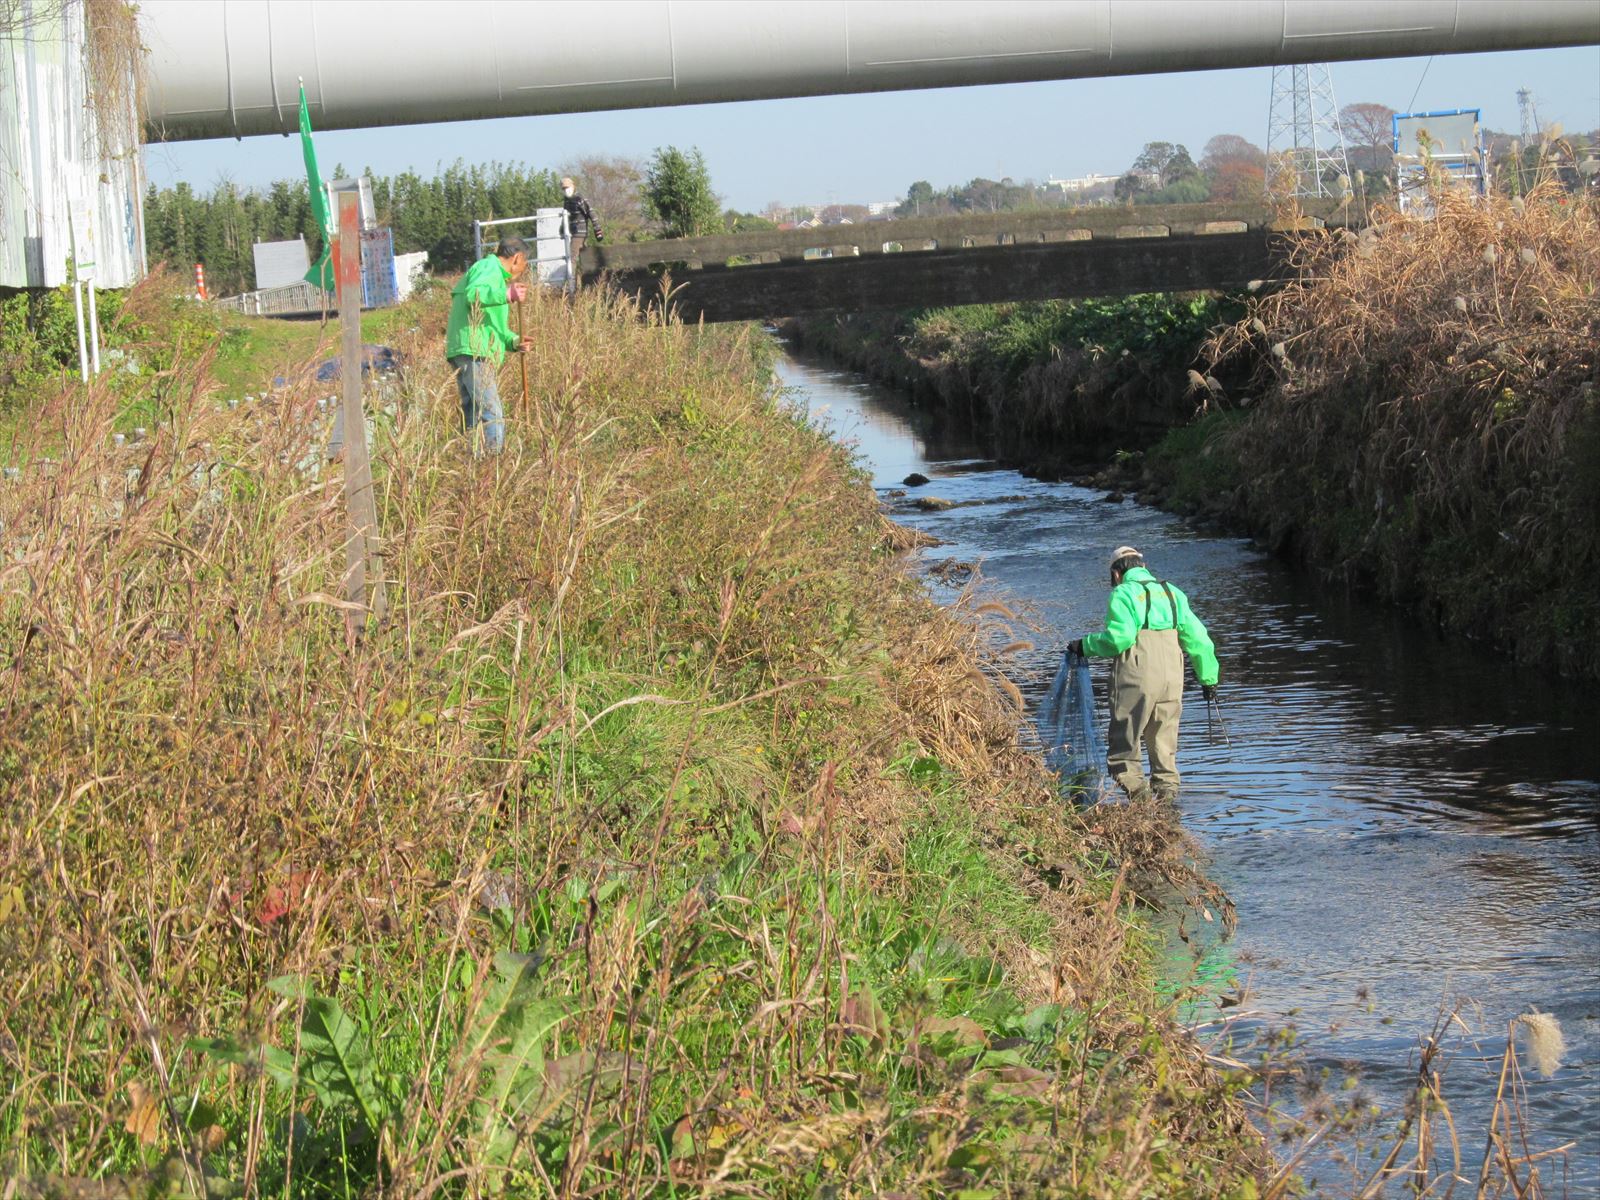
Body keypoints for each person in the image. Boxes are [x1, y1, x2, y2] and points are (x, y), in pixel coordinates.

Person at [1068, 546, 1219, 802]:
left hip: (1137, 672)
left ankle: (1141, 805)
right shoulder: (1173, 593)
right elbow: (1199, 640)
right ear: (1144, 567)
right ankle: (1168, 808)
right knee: (1164, 742)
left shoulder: (1123, 593)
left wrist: (1085, 645)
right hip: (1172, 674)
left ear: (1116, 574)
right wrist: (1209, 678)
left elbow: (1120, 639)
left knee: (1124, 745)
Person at [444, 237, 528, 452]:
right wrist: (507, 294)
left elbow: (492, 324)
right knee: (491, 411)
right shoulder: (489, 267)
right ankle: (494, 462)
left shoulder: (492, 276)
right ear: (517, 258)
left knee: (473, 411)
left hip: (468, 348)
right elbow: (473, 295)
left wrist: (514, 341)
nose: (524, 268)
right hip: (475, 350)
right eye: (526, 262)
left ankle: (474, 463)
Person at [559, 176, 604, 288]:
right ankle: (586, 282)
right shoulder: (567, 200)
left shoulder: (579, 198)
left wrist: (597, 230)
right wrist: (561, 228)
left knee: (572, 257)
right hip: (573, 231)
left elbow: (591, 213)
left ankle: (570, 284)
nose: (566, 190)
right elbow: (566, 216)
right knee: (583, 257)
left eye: (567, 187)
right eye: (563, 188)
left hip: (580, 232)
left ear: (573, 186)